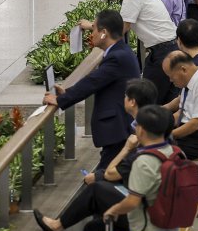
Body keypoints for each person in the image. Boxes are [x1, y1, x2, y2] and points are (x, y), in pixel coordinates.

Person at [33, 79, 157, 231]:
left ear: (132, 102)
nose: (123, 99)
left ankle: (57, 226)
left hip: (145, 214)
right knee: (94, 227)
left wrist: (102, 173)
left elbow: (113, 173)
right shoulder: (152, 125)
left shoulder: (144, 135)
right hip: (149, 204)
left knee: (96, 190)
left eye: (125, 96)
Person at [101, 105, 181, 231]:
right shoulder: (174, 152)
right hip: (172, 230)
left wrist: (113, 211)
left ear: (142, 131)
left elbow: (133, 201)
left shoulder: (144, 161)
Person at [44, 10, 140, 169]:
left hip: (117, 129)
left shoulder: (117, 57)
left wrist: (60, 100)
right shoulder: (120, 51)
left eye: (94, 28)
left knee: (104, 178)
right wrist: (67, 92)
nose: (91, 33)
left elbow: (92, 82)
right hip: (120, 128)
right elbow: (96, 80)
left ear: (104, 33)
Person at [85, 0, 177, 105]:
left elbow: (122, 28)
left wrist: (95, 33)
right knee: (159, 100)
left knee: (148, 103)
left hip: (162, 52)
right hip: (165, 48)